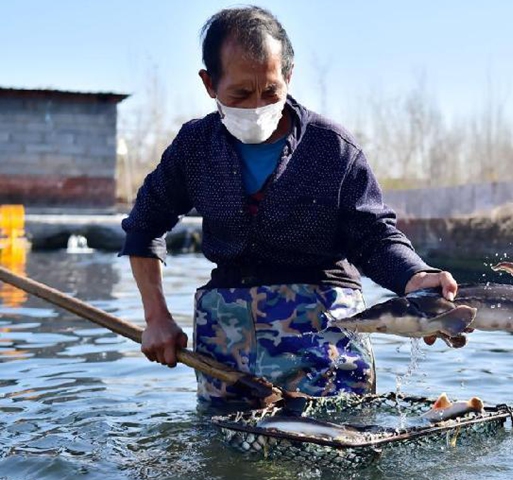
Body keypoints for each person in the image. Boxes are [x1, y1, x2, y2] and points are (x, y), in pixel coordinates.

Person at [120, 6, 458, 407]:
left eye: (271, 92)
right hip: (228, 339)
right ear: (210, 84)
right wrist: (156, 317)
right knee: (230, 454)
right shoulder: (195, 148)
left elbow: (374, 237)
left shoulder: (332, 148)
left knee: (334, 444)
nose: (258, 105)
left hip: (324, 332)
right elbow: (144, 227)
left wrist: (414, 277)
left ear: (289, 78)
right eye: (241, 94)